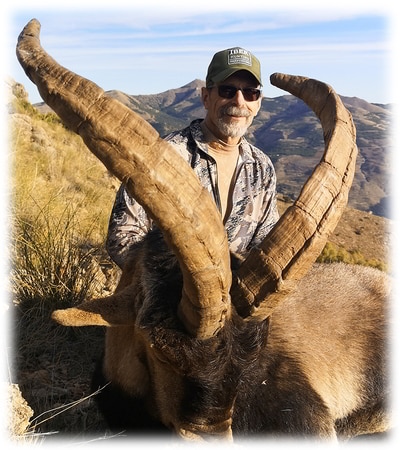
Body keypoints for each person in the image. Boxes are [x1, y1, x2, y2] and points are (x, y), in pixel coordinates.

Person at [106, 47, 279, 269]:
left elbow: (265, 244)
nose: (239, 101)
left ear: (258, 103)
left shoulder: (262, 167)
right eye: (227, 90)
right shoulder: (163, 156)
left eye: (250, 93)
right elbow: (122, 238)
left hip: (237, 298)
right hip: (168, 297)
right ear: (206, 97)